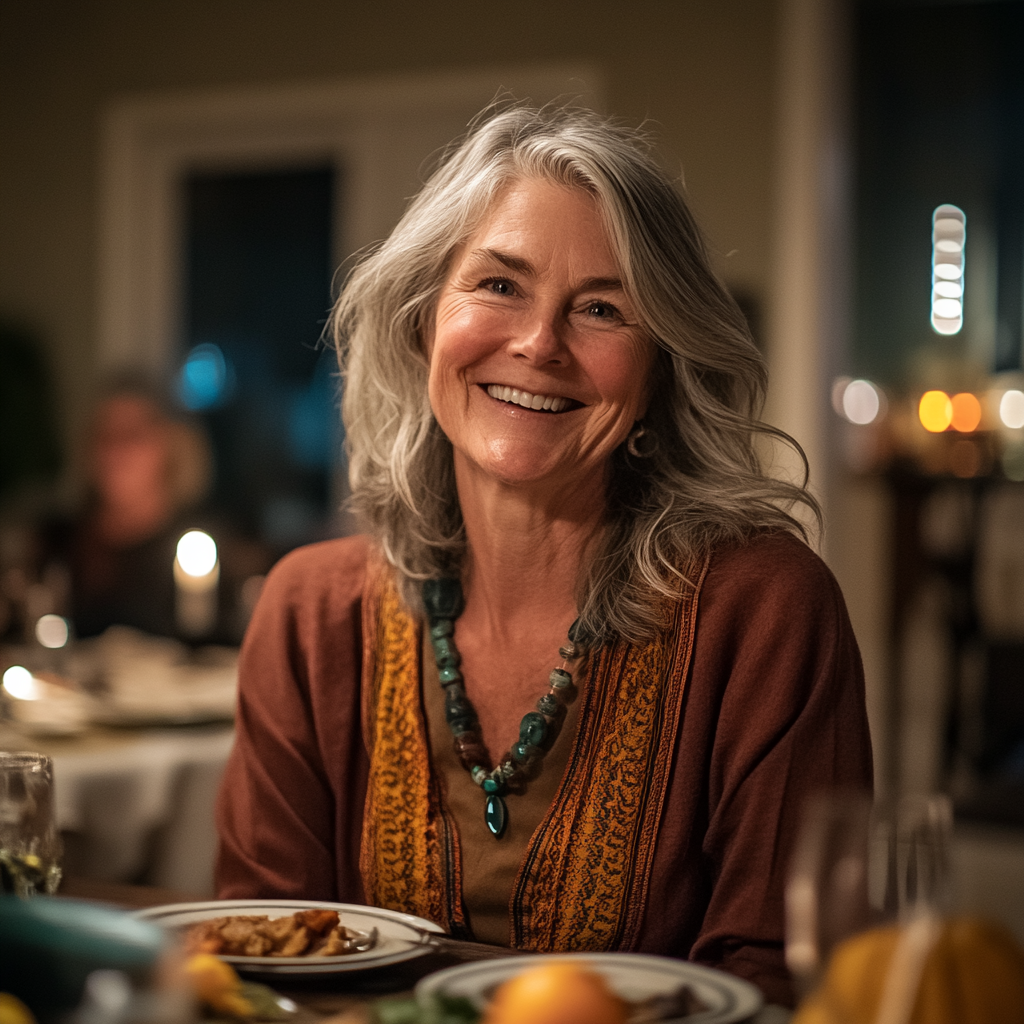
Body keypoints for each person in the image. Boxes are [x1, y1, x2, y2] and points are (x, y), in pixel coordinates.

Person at [215, 104, 871, 1006]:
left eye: (601, 308)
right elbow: (259, 958)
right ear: (422, 326)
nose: (538, 343)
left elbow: (785, 980)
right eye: (498, 285)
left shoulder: (766, 610)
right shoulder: (310, 611)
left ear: (658, 374)